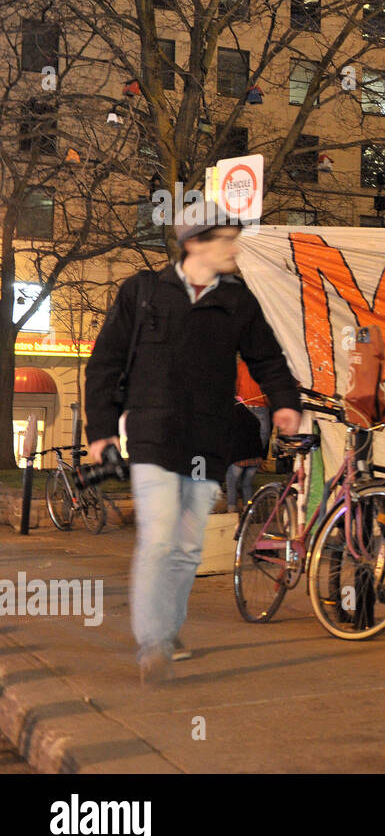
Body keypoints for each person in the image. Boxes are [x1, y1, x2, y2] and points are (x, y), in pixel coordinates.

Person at [84, 215, 301, 684]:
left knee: (185, 549)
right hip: (152, 436)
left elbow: (267, 358)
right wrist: (101, 429)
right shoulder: (143, 292)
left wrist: (284, 405)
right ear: (194, 244)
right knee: (159, 539)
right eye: (225, 240)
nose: (234, 249)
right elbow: (106, 362)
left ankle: (168, 630)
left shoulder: (236, 300)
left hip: (209, 443)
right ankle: (153, 643)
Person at [225, 401, 265, 514]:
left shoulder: (230, 419)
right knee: (247, 485)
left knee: (231, 484)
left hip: (238, 458)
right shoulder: (253, 418)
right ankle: (248, 511)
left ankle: (231, 511)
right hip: (255, 458)